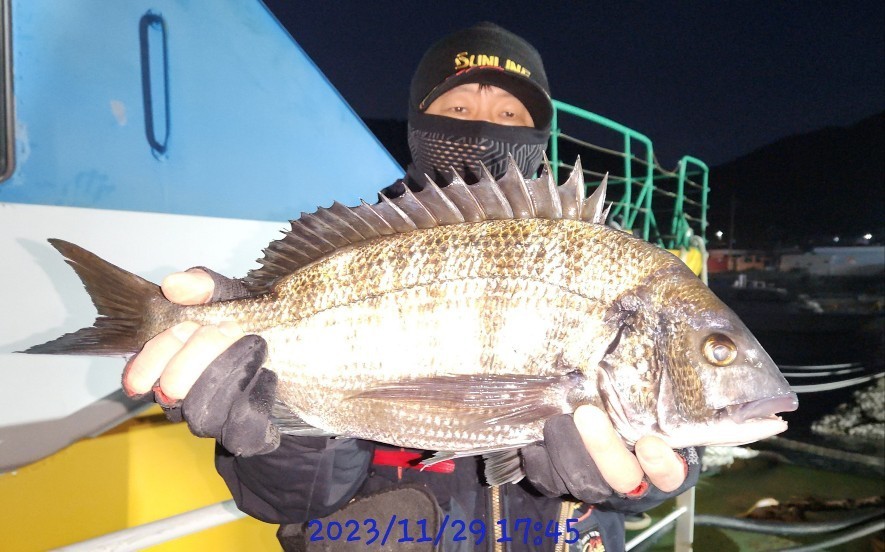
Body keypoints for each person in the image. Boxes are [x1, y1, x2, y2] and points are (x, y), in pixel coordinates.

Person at [123, 23, 700, 551]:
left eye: (509, 114)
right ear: (420, 122)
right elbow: (290, 501)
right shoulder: (360, 248)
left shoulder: (611, 261)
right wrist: (282, 429)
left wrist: (647, 472)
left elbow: (677, 454)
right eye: (458, 107)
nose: (482, 127)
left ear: (538, 135)